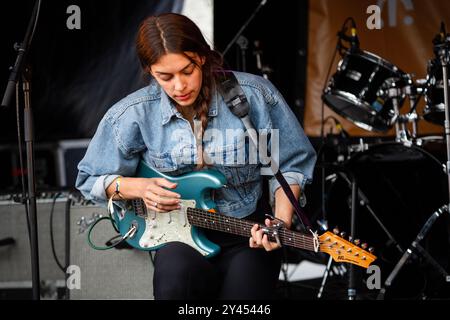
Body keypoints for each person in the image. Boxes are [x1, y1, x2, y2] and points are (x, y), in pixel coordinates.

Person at [76, 12, 316, 300]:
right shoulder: (132, 114)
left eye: (187, 71)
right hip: (177, 235)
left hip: (246, 232)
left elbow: (292, 162)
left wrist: (279, 223)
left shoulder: (254, 95)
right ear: (149, 71)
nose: (179, 86)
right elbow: (90, 178)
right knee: (174, 285)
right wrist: (136, 187)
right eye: (165, 76)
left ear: (202, 57)